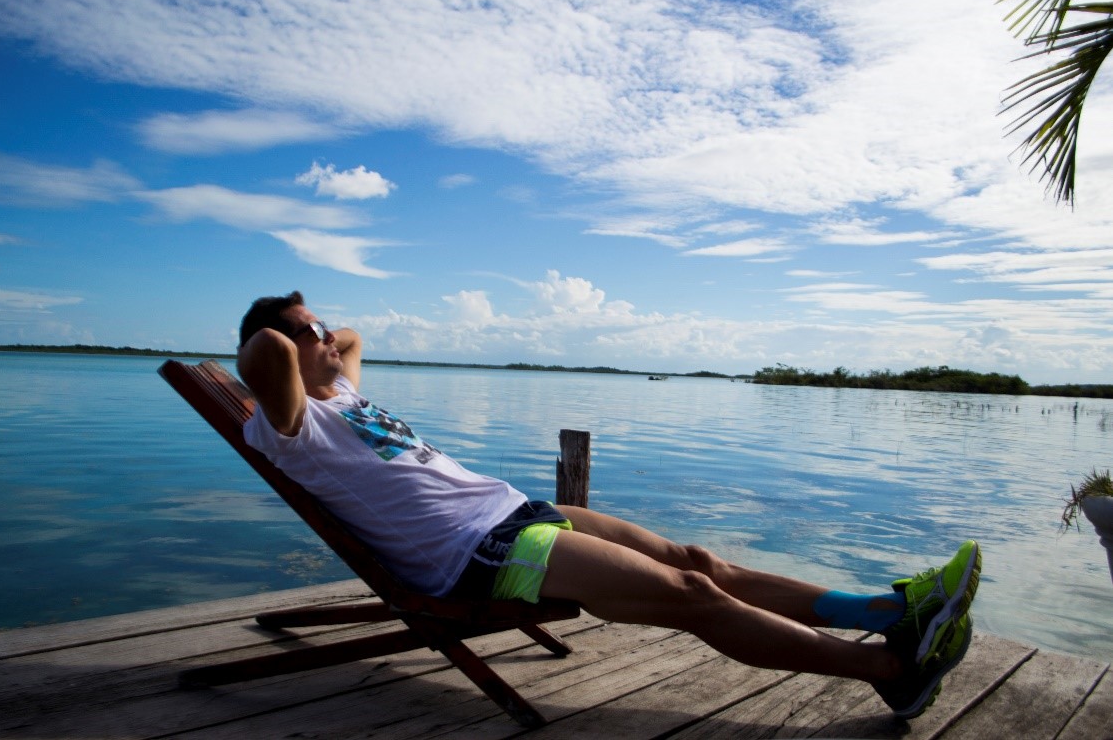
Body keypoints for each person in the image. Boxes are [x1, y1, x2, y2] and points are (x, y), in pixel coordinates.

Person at [237, 291, 981, 721]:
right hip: (474, 556)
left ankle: (885, 612)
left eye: (322, 325)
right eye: (311, 330)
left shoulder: (346, 391)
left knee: (698, 559)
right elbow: (266, 346)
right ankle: (891, 669)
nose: (327, 335)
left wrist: (321, 340)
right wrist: (288, 328)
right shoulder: (292, 426)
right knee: (692, 595)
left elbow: (348, 338)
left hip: (512, 511)